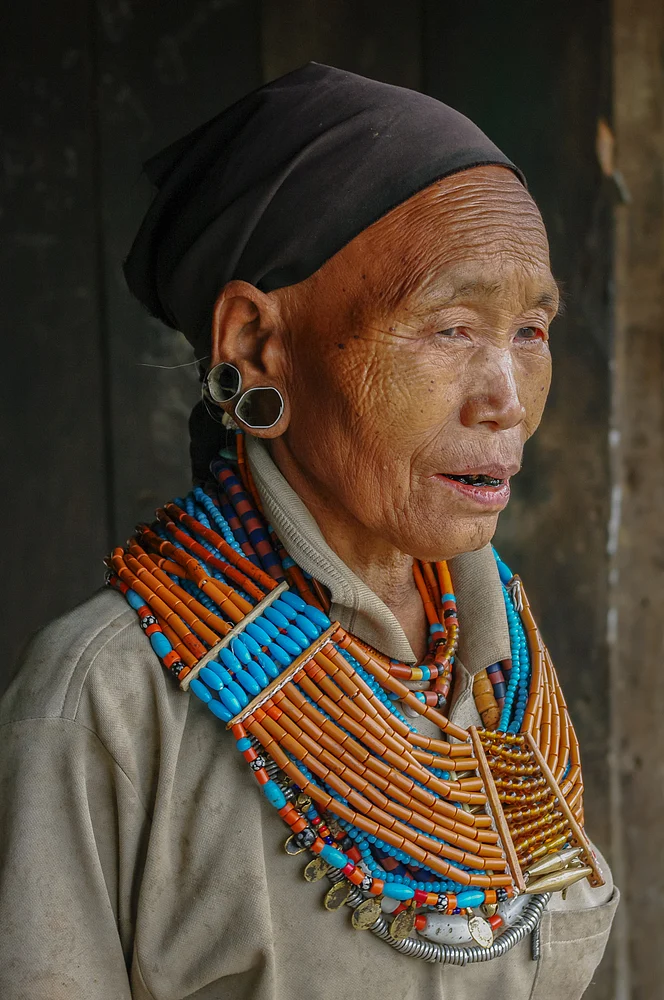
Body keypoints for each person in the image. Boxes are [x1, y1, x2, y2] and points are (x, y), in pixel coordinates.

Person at [0, 64, 618, 1000]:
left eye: (530, 332)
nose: (507, 403)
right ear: (255, 342)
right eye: (450, 328)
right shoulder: (105, 706)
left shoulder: (503, 662)